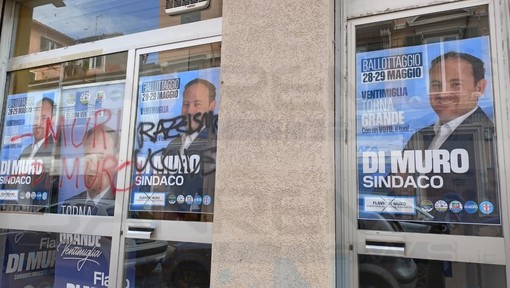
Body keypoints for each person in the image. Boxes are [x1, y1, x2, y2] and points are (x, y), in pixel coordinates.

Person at [400, 52, 498, 223]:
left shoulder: (491, 136)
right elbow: (394, 186)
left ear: (479, 88)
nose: (443, 94)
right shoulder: (420, 136)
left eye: (455, 84)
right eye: (436, 85)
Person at [161, 78, 217, 221]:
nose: (190, 110)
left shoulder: (215, 144)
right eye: (186, 104)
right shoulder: (173, 144)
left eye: (197, 104)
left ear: (211, 107)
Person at [2, 97, 58, 211]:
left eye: (43, 118)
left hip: (38, 219)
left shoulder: (55, 150)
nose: (38, 123)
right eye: (36, 118)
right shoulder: (26, 151)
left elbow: (48, 190)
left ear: (52, 121)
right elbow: (11, 185)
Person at [61, 125, 119, 216]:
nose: (92, 167)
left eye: (100, 158)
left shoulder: (119, 207)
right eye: (88, 157)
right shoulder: (70, 204)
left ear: (116, 163)